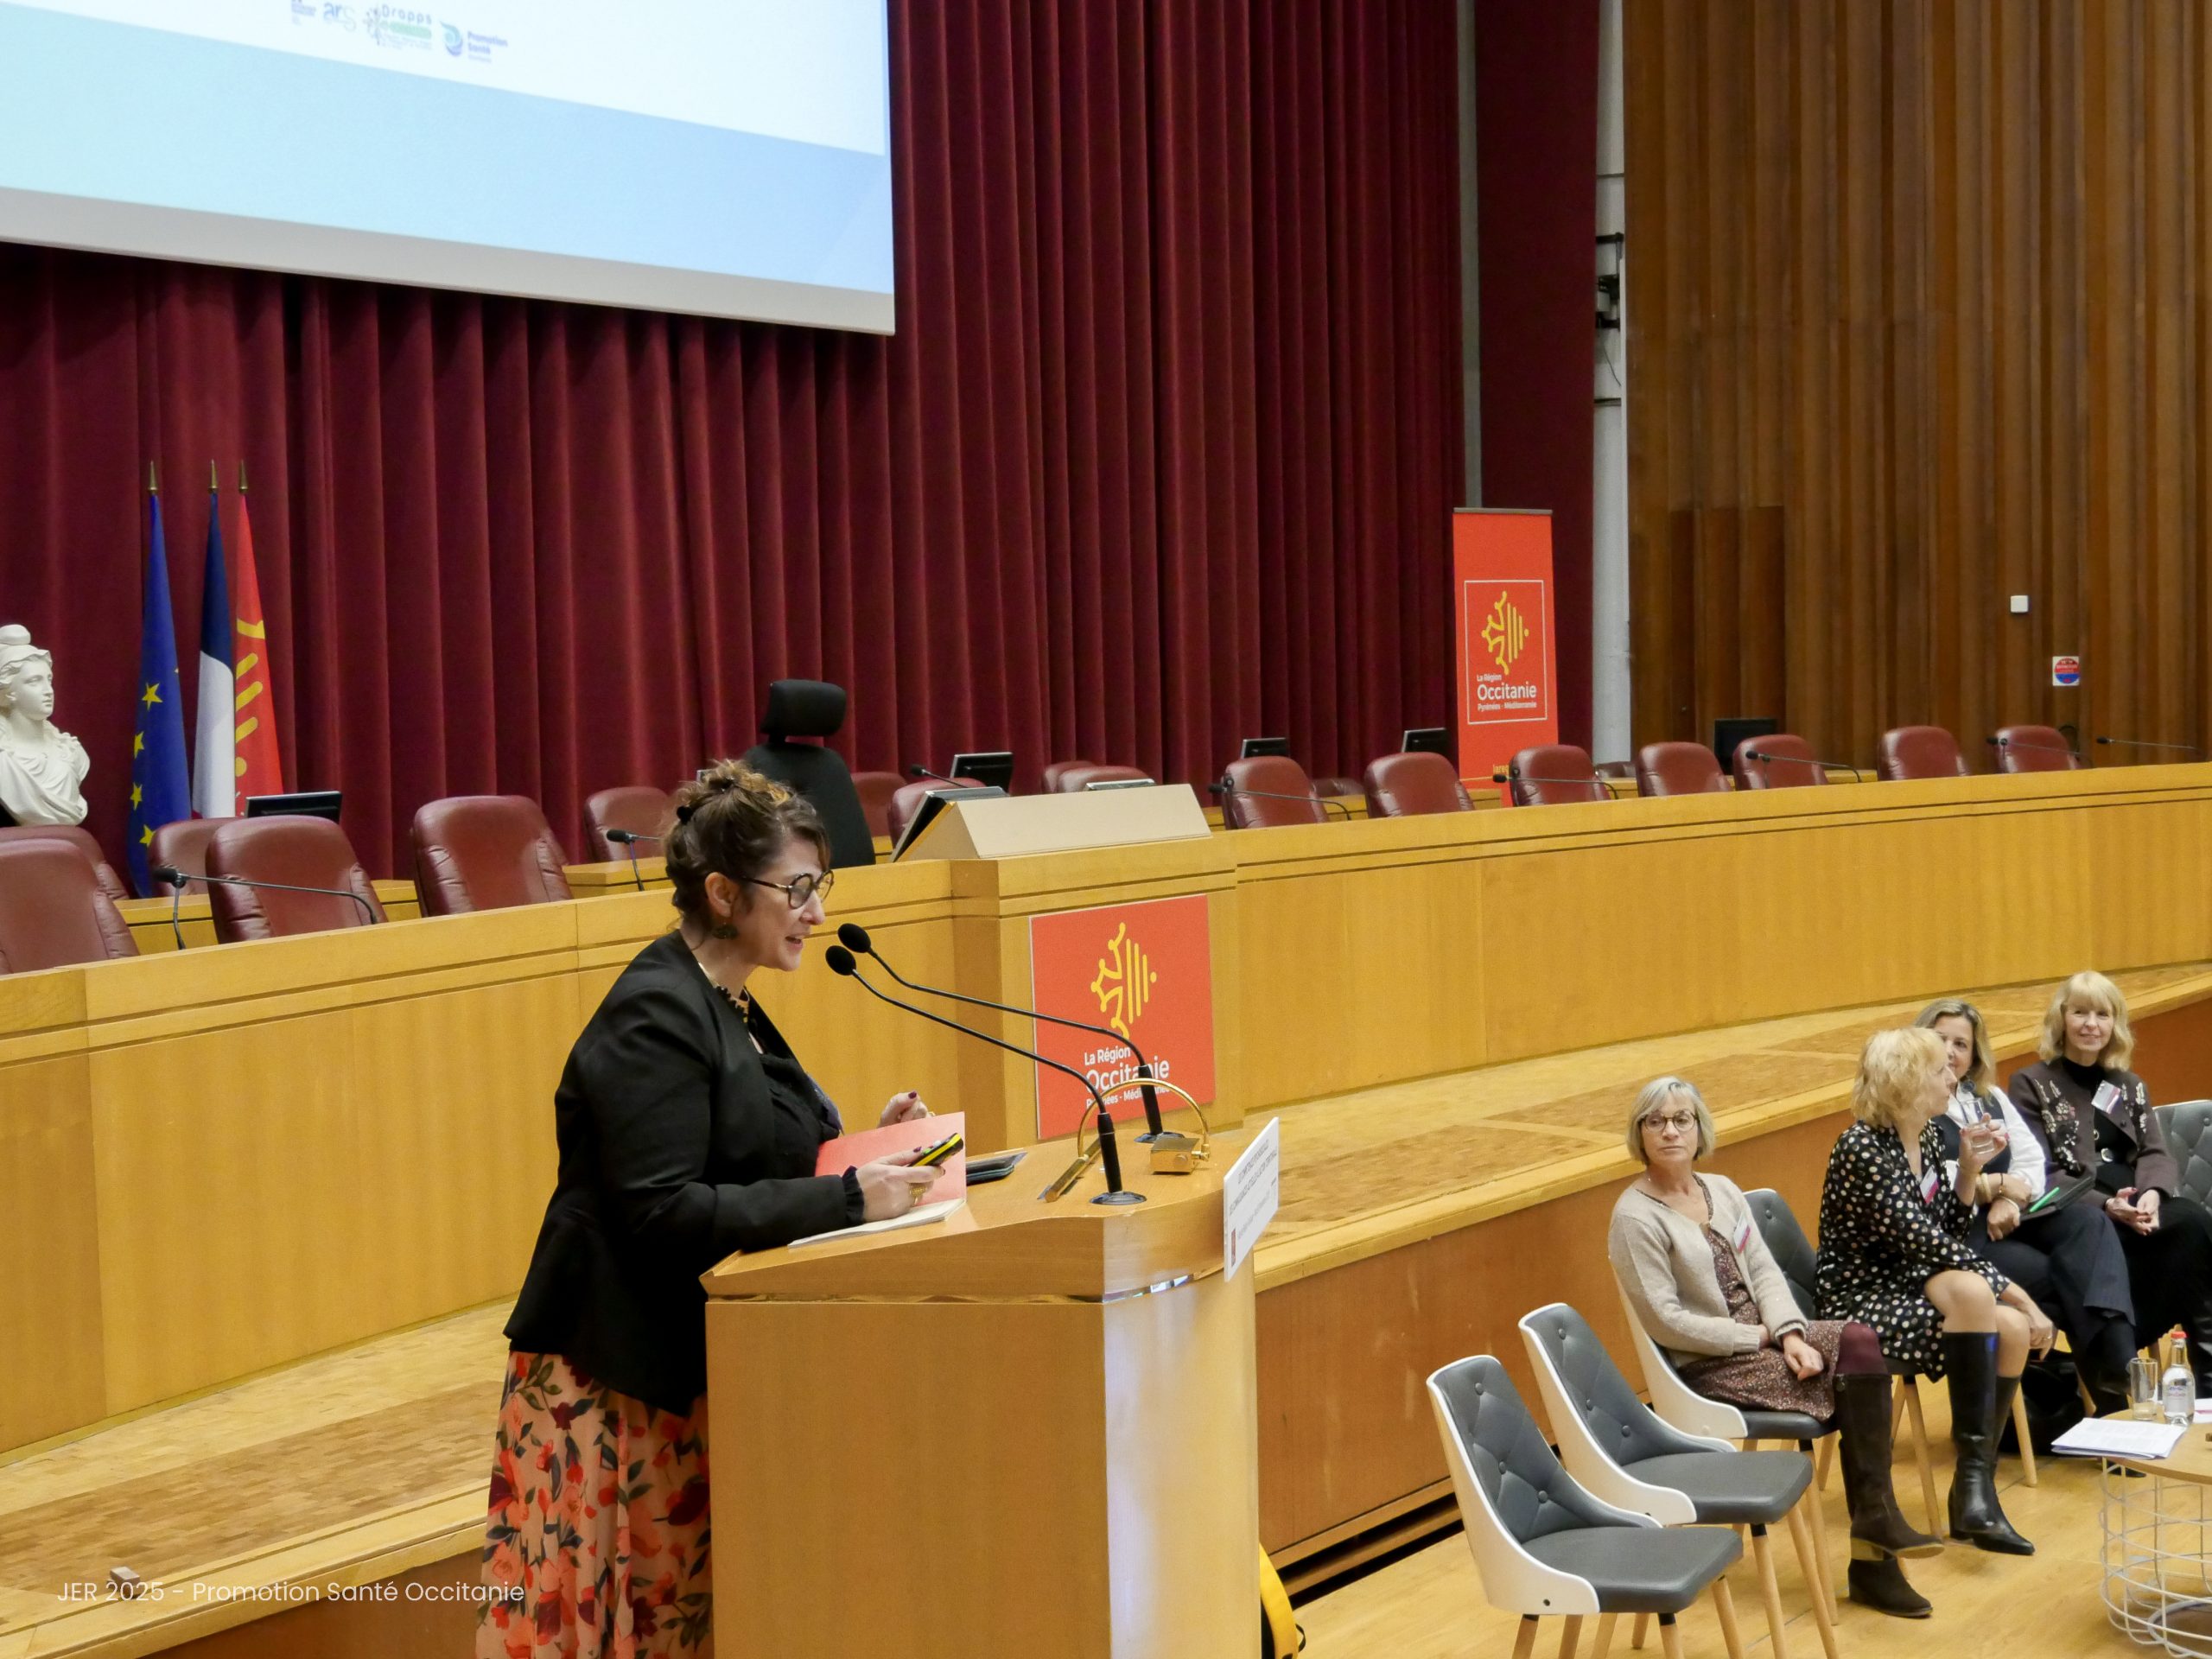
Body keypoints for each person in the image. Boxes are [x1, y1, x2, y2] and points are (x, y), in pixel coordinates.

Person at [476, 761, 942, 1658]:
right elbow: (661, 1211)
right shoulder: (655, 1015)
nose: (814, 910)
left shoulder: (729, 1001)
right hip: (615, 1388)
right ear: (725, 892)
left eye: (821, 886)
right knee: (624, 1630)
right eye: (797, 888)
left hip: (685, 1369)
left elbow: (743, 1159)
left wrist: (861, 1155)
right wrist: (846, 1196)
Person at [1611, 1077, 1946, 1618]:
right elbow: (1668, 1322)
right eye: (1656, 1121)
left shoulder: (1719, 1188)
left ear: (1700, 1129)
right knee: (1855, 1391)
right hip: (1713, 1363)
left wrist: (1791, 1333)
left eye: (1682, 1119)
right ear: (1640, 1134)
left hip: (1769, 1337)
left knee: (1860, 1341)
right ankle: (1874, 1558)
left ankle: (1875, 1527)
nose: (1670, 1131)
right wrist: (1761, 1338)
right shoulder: (1634, 1216)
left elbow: (1765, 1272)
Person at [1816, 1027, 2054, 1557]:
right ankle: (1972, 1495)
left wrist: (1968, 1171)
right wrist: (2020, 1295)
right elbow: (1923, 1243)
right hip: (1861, 1298)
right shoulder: (1861, 1147)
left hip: (1910, 1280)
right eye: (1941, 1070)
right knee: (1991, 1302)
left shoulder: (1924, 1134)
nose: (1954, 1076)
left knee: (2012, 1330)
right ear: (1907, 1082)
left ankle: (1975, 1487)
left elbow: (1946, 1229)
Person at [1917, 997, 2135, 1412]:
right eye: (1940, 1039)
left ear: (1975, 1053)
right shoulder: (1916, 1105)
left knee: (2089, 1222)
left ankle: (2115, 1371)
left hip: (2015, 1217)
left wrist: (2010, 1198)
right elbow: (1935, 1177)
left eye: (1961, 1044)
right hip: (1965, 1237)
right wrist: (1996, 1187)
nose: (1950, 1051)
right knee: (2072, 1278)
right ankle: (2113, 1393)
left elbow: (2032, 1160)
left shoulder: (1988, 1096)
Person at [2007, 969, 2212, 1391]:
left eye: (2102, 1014)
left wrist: (2153, 1195)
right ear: (2061, 1019)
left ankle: (2208, 1378)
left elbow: (2154, 1151)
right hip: (2080, 1211)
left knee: (2194, 1223)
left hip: (2138, 1204)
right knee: (2121, 1238)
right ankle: (2118, 1365)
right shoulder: (2031, 1083)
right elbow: (2037, 1169)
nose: (2090, 1024)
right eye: (2080, 1012)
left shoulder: (2129, 1084)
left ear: (2114, 1024)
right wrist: (2106, 1204)